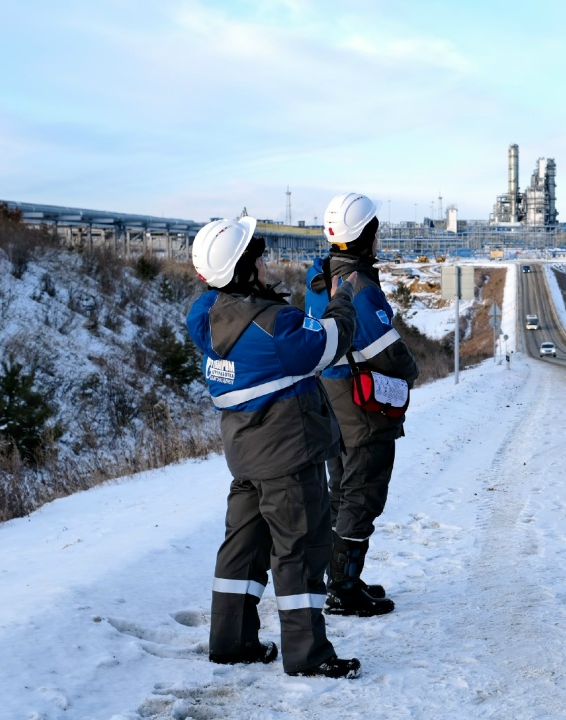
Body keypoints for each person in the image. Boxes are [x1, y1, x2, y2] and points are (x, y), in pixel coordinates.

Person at [186, 215, 362, 679]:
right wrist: (344, 297)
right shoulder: (275, 327)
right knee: (299, 550)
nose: (266, 264)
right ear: (243, 269)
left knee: (241, 550)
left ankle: (232, 642)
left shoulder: (203, 315)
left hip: (245, 455)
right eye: (258, 258)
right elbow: (330, 341)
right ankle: (307, 655)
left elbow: (235, 307)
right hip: (288, 457)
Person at [305, 192, 419, 617]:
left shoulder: (318, 277)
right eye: (376, 230)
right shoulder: (362, 288)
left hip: (328, 396)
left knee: (342, 491)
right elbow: (390, 354)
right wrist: (411, 373)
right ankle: (344, 590)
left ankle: (338, 577)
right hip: (360, 405)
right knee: (363, 494)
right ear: (367, 235)